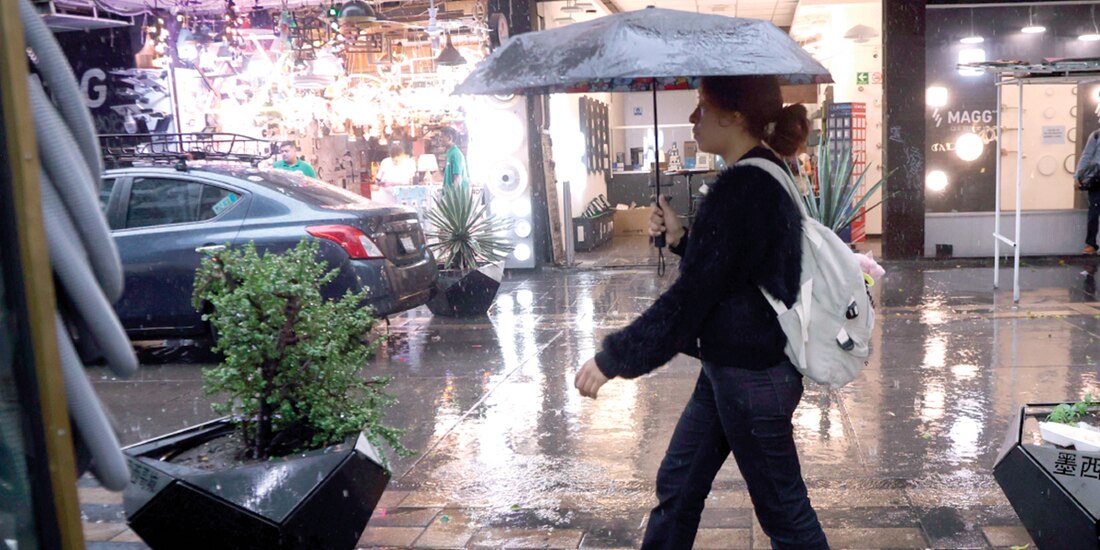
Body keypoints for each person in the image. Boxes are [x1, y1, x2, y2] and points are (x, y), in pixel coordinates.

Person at [573, 75, 829, 550]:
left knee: (786, 516)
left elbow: (691, 300)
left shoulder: (743, 187)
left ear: (734, 117)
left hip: (752, 379)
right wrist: (681, 239)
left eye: (701, 107)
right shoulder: (762, 173)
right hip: (730, 370)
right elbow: (737, 273)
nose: (693, 118)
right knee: (679, 484)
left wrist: (614, 359)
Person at [1076, 129, 1100, 254]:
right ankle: (1091, 244)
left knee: (1094, 211)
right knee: (1094, 212)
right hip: (1097, 179)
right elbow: (1086, 156)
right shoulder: (1096, 135)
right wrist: (1077, 177)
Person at [440, 127, 470, 192]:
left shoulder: (456, 154)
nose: (440, 139)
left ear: (450, 138)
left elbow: (457, 178)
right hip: (448, 195)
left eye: (442, 137)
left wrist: (454, 197)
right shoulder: (449, 153)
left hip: (455, 197)